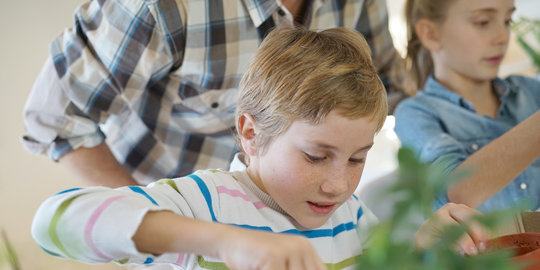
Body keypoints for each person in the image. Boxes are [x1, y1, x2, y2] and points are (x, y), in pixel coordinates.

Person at [31, 26, 487, 270]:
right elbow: (54, 222)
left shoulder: (349, 214)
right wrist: (227, 241)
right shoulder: (208, 204)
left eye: (356, 158)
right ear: (250, 132)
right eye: (315, 156)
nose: (338, 183)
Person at [22, 0, 405, 188]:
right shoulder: (162, 6)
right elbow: (55, 120)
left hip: (297, 220)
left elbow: (392, 86)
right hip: (180, 214)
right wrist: (164, 236)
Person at [393, 0, 540, 212]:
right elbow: (458, 193)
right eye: (482, 22)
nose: (502, 37)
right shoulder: (415, 114)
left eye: (507, 21)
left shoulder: (531, 91)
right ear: (431, 34)